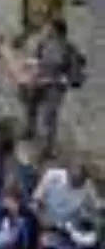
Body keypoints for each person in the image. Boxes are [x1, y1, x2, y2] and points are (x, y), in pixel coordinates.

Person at [22, 19, 76, 157]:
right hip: (39, 82)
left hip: (54, 87)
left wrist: (53, 80)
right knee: (31, 106)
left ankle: (48, 147)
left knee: (49, 116)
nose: (45, 30)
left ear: (56, 30)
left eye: (48, 28)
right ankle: (30, 129)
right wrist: (32, 68)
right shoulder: (44, 43)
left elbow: (71, 74)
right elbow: (37, 59)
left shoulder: (68, 48)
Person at [32, 164, 98, 227]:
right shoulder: (54, 175)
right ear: (68, 175)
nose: (75, 185)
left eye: (79, 183)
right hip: (46, 215)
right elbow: (39, 193)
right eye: (74, 182)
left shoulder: (88, 187)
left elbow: (94, 205)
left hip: (68, 222)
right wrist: (38, 203)